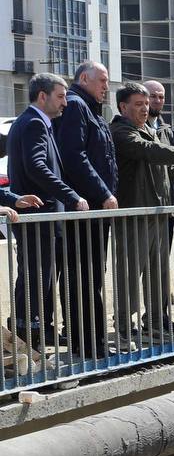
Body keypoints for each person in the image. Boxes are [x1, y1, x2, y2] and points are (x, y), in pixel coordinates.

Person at [110, 81, 174, 344]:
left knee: (158, 272)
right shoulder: (122, 131)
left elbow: (158, 163)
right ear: (123, 106)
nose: (146, 108)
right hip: (135, 212)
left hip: (158, 210)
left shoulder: (148, 129)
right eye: (139, 104)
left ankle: (155, 322)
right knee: (130, 272)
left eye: (147, 104)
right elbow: (149, 152)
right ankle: (124, 326)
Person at [6, 73, 86, 344]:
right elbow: (37, 167)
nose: (65, 103)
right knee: (36, 277)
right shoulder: (33, 125)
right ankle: (28, 337)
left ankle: (36, 334)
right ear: (43, 96)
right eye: (61, 96)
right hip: (39, 215)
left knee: (39, 276)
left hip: (40, 215)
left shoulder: (34, 123)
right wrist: (72, 196)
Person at [54, 60, 118, 356]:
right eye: (102, 80)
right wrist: (103, 193)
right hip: (85, 208)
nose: (106, 86)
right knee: (84, 276)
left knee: (90, 275)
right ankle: (89, 345)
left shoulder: (90, 109)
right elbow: (75, 156)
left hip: (92, 208)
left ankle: (92, 343)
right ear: (84, 78)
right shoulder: (77, 106)